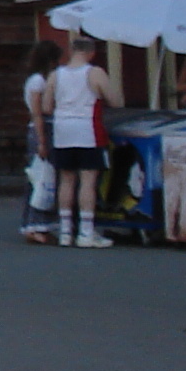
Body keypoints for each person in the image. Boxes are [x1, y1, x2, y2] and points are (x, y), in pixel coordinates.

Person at [41, 33, 120, 249]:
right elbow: (114, 100)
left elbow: (47, 107)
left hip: (62, 130)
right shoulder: (94, 73)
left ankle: (65, 230)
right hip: (88, 129)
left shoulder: (56, 75)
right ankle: (86, 231)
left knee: (66, 179)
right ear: (91, 52)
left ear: (71, 51)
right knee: (88, 181)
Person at [21, 38, 61, 244]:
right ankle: (35, 224)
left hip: (41, 128)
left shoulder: (35, 79)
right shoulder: (38, 81)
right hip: (41, 129)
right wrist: (42, 141)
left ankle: (33, 223)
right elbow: (38, 113)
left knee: (40, 178)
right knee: (42, 179)